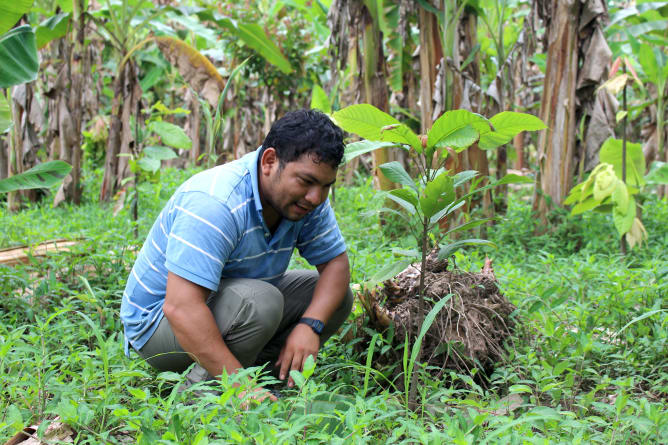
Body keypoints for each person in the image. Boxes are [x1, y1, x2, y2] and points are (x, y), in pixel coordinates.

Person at [120, 109, 352, 400]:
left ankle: (261, 377)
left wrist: (310, 325)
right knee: (260, 301)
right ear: (269, 161)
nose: (315, 197)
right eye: (305, 181)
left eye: (325, 186)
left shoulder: (306, 201)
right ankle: (203, 395)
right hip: (156, 327)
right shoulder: (216, 202)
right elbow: (181, 308)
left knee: (334, 295)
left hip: (228, 304)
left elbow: (336, 265)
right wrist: (240, 388)